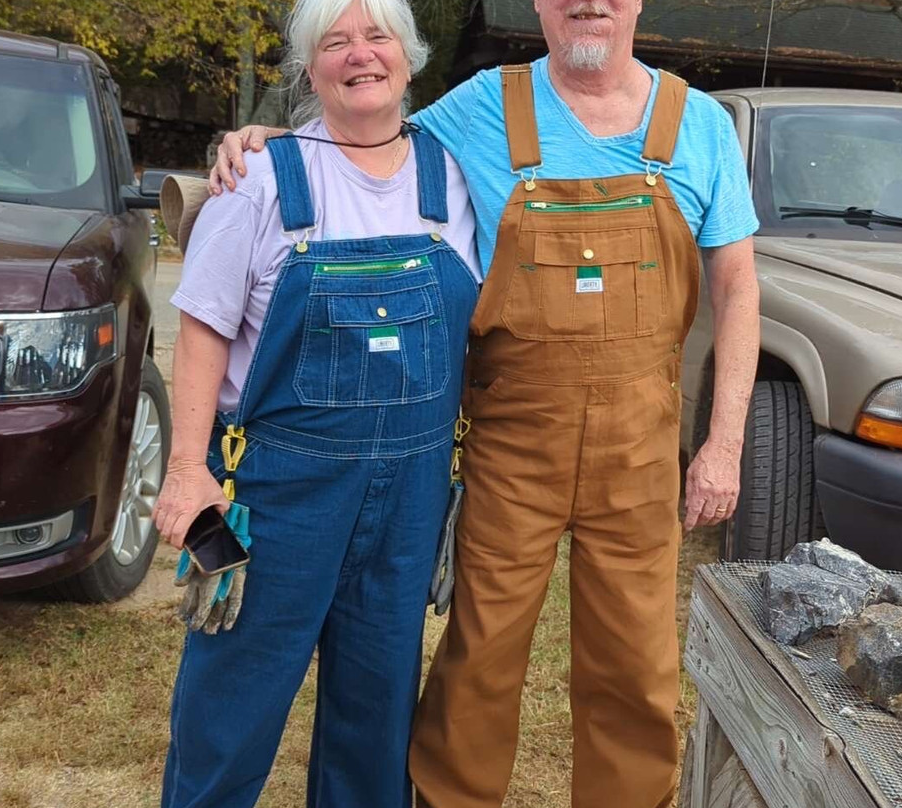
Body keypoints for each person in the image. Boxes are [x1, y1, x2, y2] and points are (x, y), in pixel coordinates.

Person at [210, 1, 761, 805]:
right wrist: (272, 143)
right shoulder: (479, 109)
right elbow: (365, 127)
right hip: (511, 448)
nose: (587, 3)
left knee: (637, 668)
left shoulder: (701, 125)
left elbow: (738, 289)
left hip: (641, 452)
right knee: (479, 658)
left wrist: (724, 443)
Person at [150, 0, 481, 805]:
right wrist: (187, 470)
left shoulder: (456, 177)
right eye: (335, 42)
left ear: (410, 57)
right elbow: (201, 328)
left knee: (376, 717)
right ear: (309, 70)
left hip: (411, 500)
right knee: (230, 706)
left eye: (377, 37)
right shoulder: (259, 179)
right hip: (279, 495)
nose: (359, 55)